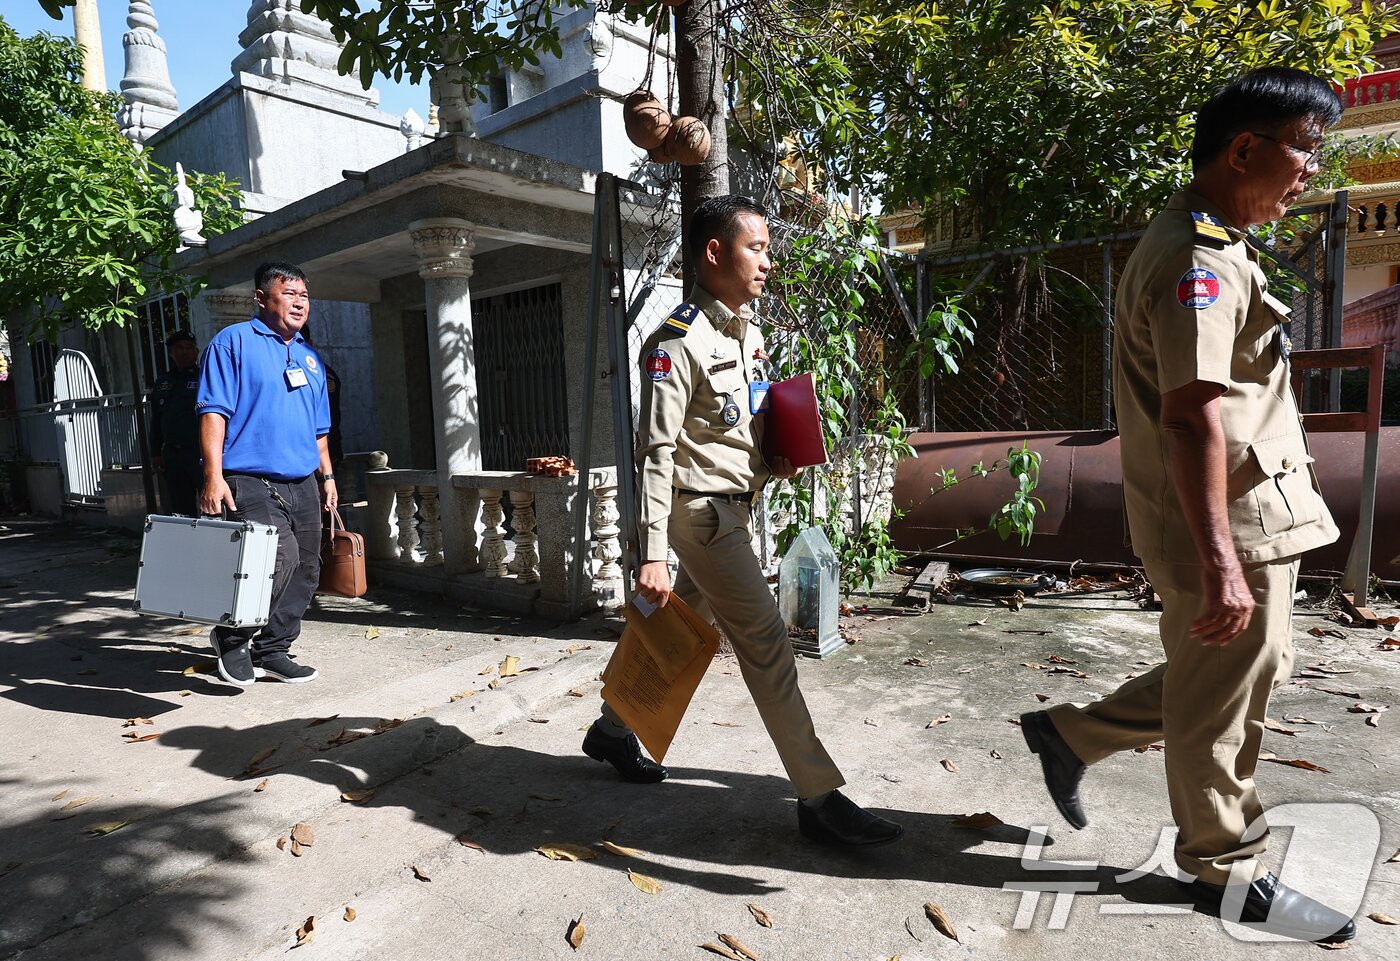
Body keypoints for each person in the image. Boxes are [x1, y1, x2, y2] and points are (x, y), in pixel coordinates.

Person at [1021, 68, 1353, 943]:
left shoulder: (1221, 241)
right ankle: (1224, 869)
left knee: (1249, 670)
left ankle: (1074, 735)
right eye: (1304, 148)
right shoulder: (1198, 257)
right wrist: (1218, 560)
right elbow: (1193, 411)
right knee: (1220, 709)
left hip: (1253, 512)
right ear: (1245, 149)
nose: (1310, 169)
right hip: (1227, 525)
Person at [582, 195, 903, 847]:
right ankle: (817, 795)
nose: (768, 259)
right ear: (714, 253)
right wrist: (649, 552)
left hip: (736, 507)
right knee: (767, 643)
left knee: (679, 628)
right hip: (699, 518)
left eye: (765, 247)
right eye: (756, 246)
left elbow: (742, 425)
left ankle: (612, 730)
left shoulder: (748, 333)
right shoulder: (674, 343)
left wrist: (772, 456)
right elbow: (657, 451)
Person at [197, 261, 336, 686]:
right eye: (289, 293)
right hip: (248, 477)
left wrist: (327, 479)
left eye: (304, 296)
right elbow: (213, 412)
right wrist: (212, 476)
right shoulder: (233, 342)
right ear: (261, 297)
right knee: (275, 560)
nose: (299, 302)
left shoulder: (309, 356)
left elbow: (320, 431)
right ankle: (232, 635)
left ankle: (274, 650)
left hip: (304, 481)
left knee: (308, 568)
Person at [149, 329, 202, 516]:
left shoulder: (204, 378)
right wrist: (155, 452)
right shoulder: (163, 382)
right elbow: (157, 419)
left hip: (199, 452)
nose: (185, 352)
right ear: (171, 352)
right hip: (173, 455)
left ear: (196, 352)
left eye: (189, 347)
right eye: (179, 348)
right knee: (179, 508)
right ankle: (187, 544)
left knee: (210, 505)